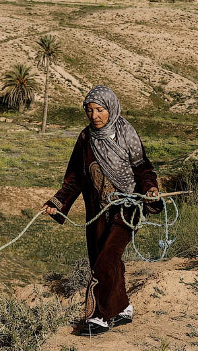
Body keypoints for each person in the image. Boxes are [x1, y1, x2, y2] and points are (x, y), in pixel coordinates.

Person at [42, 86, 160, 336]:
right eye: (89, 110)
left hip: (128, 208)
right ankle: (122, 308)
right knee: (104, 257)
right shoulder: (86, 139)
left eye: (100, 109)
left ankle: (98, 316)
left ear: (111, 108)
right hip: (96, 210)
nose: (94, 115)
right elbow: (74, 177)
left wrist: (150, 189)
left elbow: (143, 168)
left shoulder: (127, 133)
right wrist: (57, 203)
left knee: (106, 258)